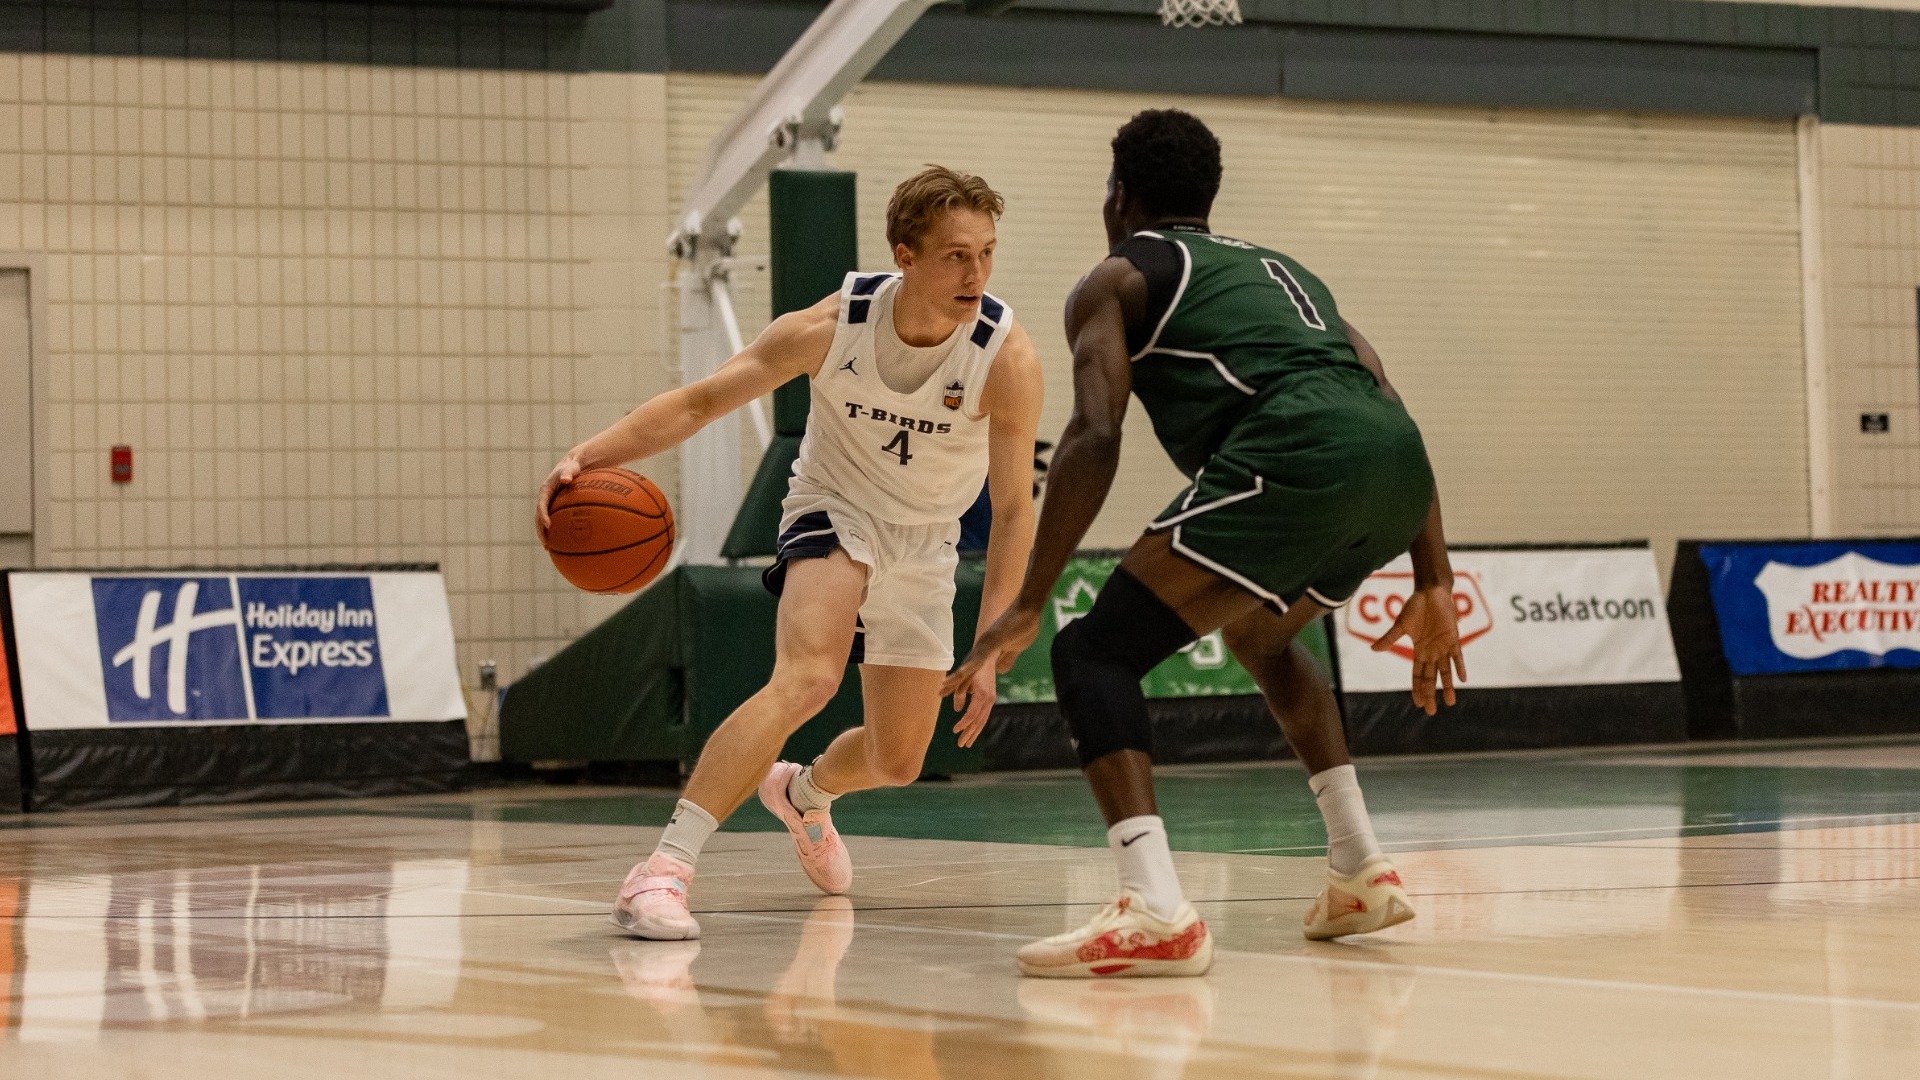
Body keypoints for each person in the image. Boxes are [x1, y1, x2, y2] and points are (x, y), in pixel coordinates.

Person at [945, 110, 1465, 978]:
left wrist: (1031, 597)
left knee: (1092, 653)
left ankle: (1155, 909)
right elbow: (1384, 402)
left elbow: (1094, 432)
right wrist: (1435, 577)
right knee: (1261, 634)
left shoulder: (1115, 279)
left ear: (1120, 195)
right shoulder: (1286, 272)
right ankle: (1359, 868)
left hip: (1299, 453)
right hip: (1397, 469)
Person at [540, 166, 1044, 940]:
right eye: (953, 255)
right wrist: (592, 454)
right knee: (808, 678)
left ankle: (803, 794)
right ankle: (664, 871)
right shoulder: (831, 327)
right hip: (834, 508)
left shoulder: (1005, 358)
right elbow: (702, 401)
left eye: (985, 253)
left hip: (926, 543)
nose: (974, 273)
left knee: (899, 759)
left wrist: (996, 635)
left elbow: (1013, 509)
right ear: (905, 256)